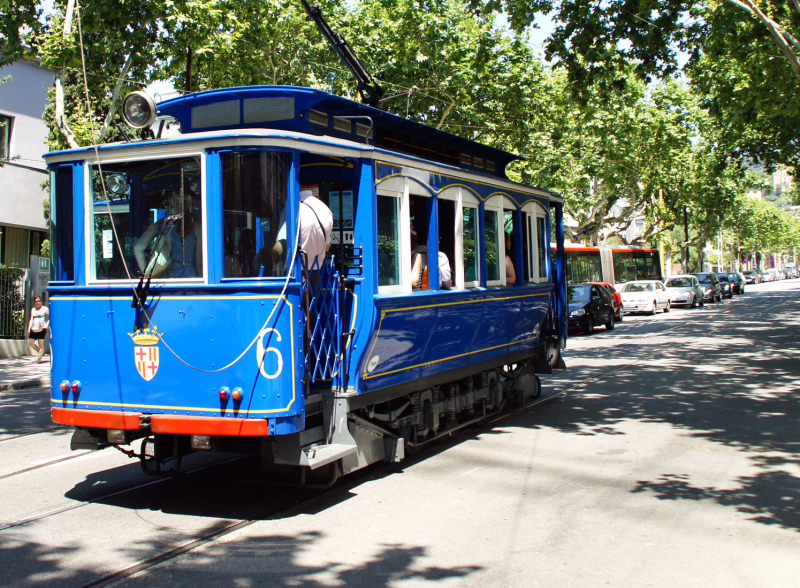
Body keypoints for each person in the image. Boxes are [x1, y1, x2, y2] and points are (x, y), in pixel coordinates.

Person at [134, 190, 203, 278]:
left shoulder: (160, 225)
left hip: (167, 278)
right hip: (190, 278)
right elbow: (199, 262)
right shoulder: (197, 228)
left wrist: (147, 274)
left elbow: (138, 248)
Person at [298, 188, 333, 288]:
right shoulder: (324, 208)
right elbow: (327, 247)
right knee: (312, 302)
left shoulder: (295, 207)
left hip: (297, 270)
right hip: (316, 269)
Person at [27, 295, 49, 363]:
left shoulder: (44, 309)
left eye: (39, 301)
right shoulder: (33, 310)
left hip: (42, 329)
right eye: (36, 301)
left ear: (41, 301)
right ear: (34, 302)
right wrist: (29, 328)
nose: (38, 302)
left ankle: (39, 359)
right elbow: (31, 319)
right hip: (34, 328)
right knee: (31, 343)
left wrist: (46, 325)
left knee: (41, 344)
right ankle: (40, 353)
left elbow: (52, 316)